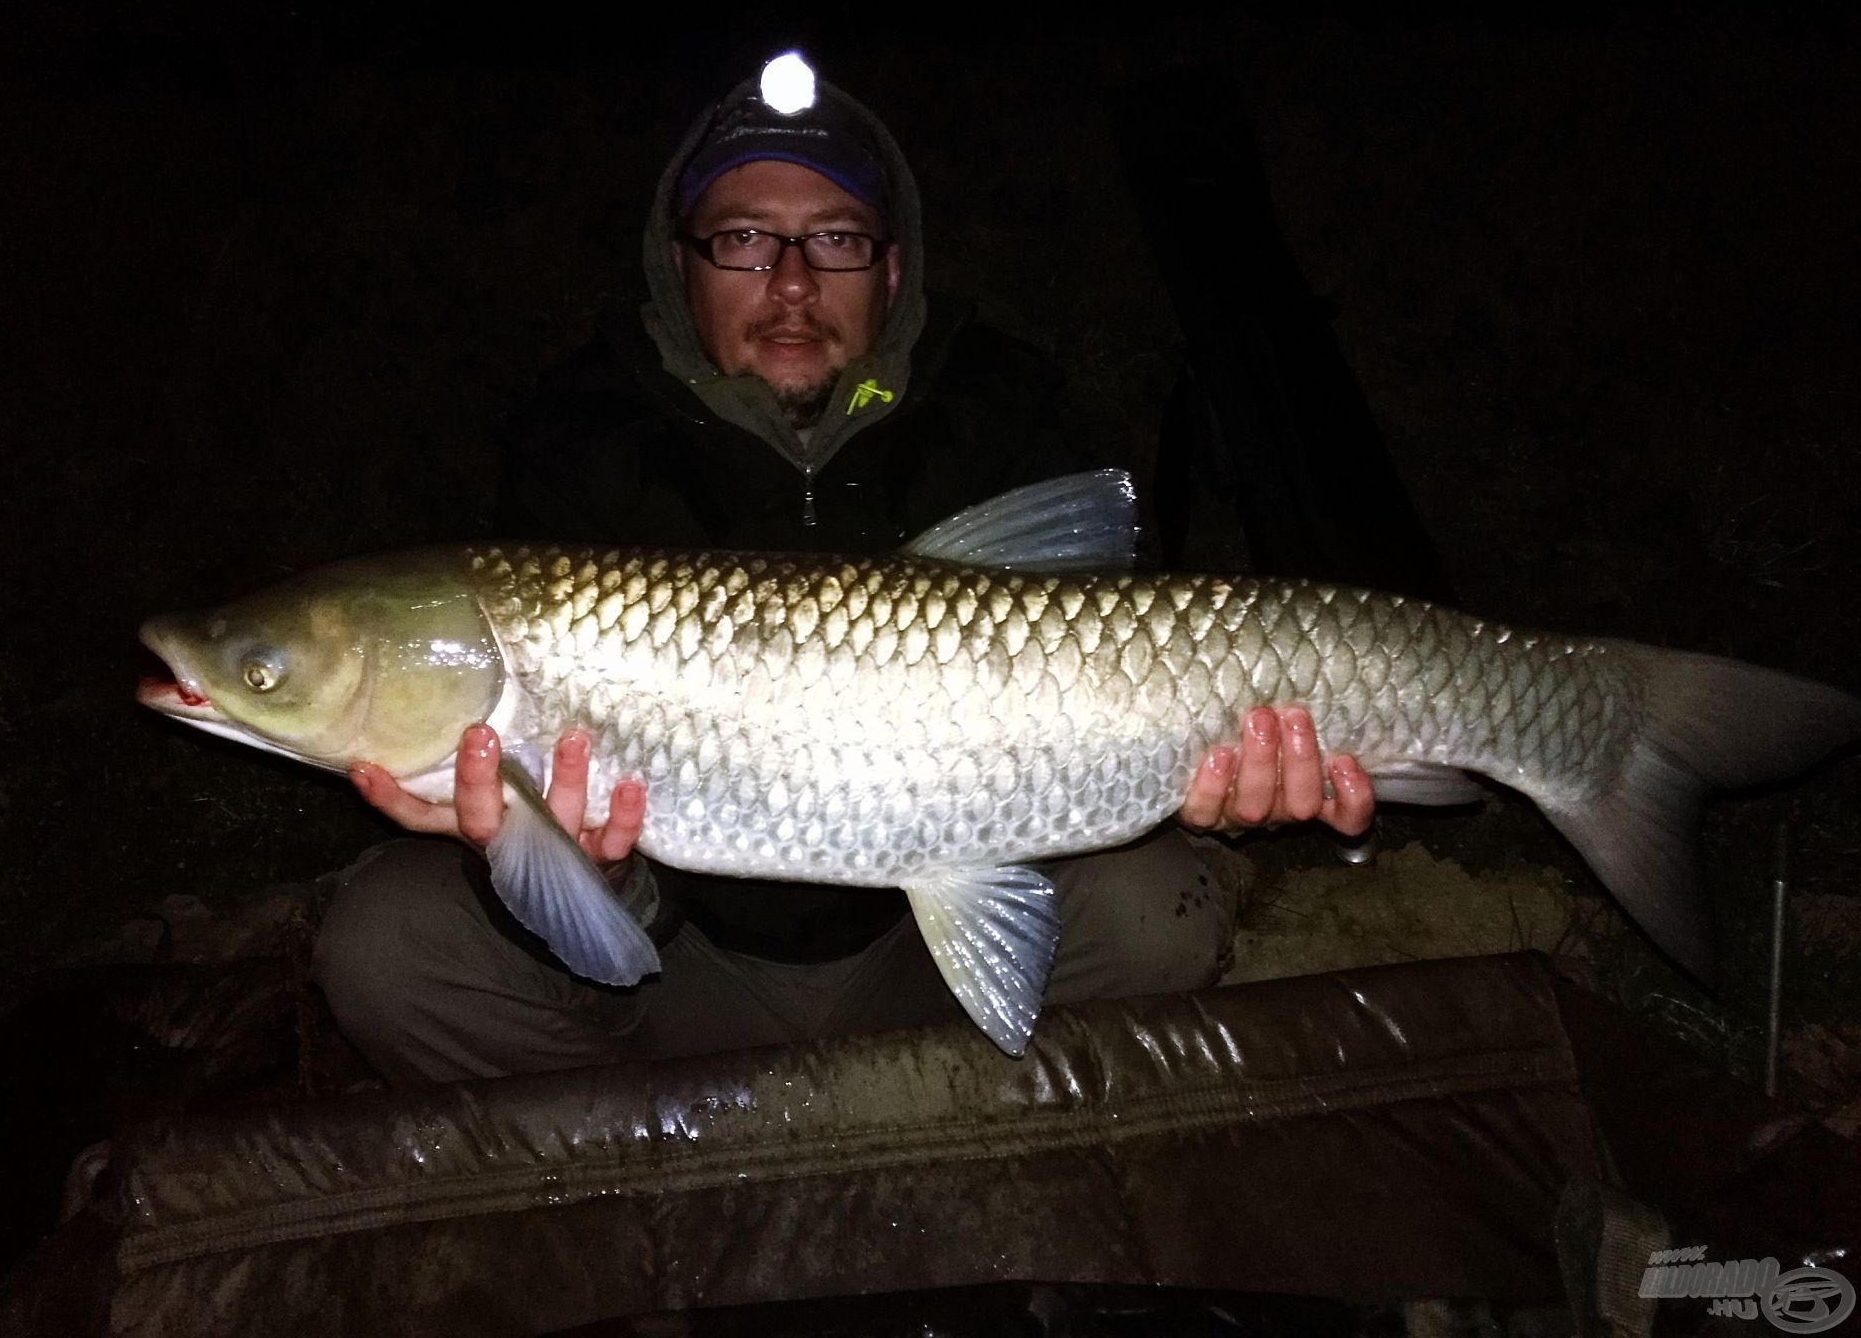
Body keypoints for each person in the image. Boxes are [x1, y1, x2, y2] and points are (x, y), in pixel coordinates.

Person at [314, 55, 1375, 1087]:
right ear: (679, 263)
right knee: (387, 945)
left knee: (1156, 908)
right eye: (742, 239)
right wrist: (593, 868)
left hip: (924, 947)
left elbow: (1134, 692)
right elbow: (599, 914)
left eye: (834, 239)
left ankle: (966, 1125)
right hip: (682, 974)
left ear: (893, 265)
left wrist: (1220, 777)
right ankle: (665, 1160)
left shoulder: (1003, 411)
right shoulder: (583, 445)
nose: (789, 282)